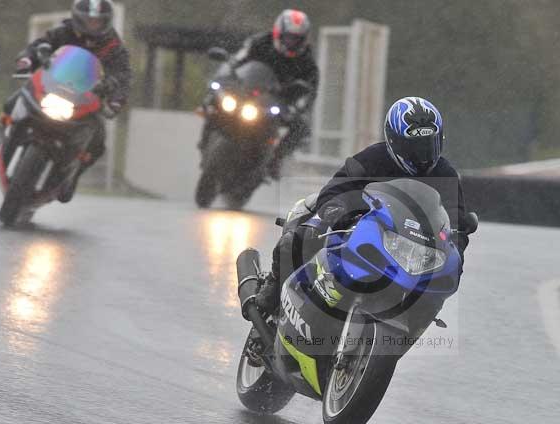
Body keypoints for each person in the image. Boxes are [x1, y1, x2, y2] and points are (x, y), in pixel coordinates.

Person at [256, 97, 470, 320]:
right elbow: (335, 189)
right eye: (413, 146)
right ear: (393, 141)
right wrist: (336, 211)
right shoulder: (373, 158)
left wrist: (455, 250)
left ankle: (407, 329)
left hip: (409, 250)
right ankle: (274, 287)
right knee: (302, 236)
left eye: (428, 145)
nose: (422, 155)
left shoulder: (446, 175)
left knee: (438, 286)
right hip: (364, 231)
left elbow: (457, 222)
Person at [0, 0, 131, 203]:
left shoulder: (114, 47)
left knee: (98, 143)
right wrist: (26, 61)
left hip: (86, 98)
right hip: (51, 87)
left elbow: (123, 76)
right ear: (78, 18)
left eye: (97, 22)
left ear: (107, 22)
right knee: (13, 101)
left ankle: (73, 177)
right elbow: (38, 46)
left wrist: (116, 100)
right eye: (88, 20)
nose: (92, 25)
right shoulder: (63, 31)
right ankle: (3, 142)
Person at [199, 9, 319, 179]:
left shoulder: (308, 62)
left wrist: (299, 106)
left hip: (277, 102)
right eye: (288, 37)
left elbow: (310, 92)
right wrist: (225, 76)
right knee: (215, 99)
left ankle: (276, 160)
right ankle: (205, 139)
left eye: (296, 39)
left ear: (304, 40)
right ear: (278, 33)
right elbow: (237, 60)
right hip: (246, 91)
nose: (291, 42)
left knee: (301, 127)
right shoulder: (259, 42)